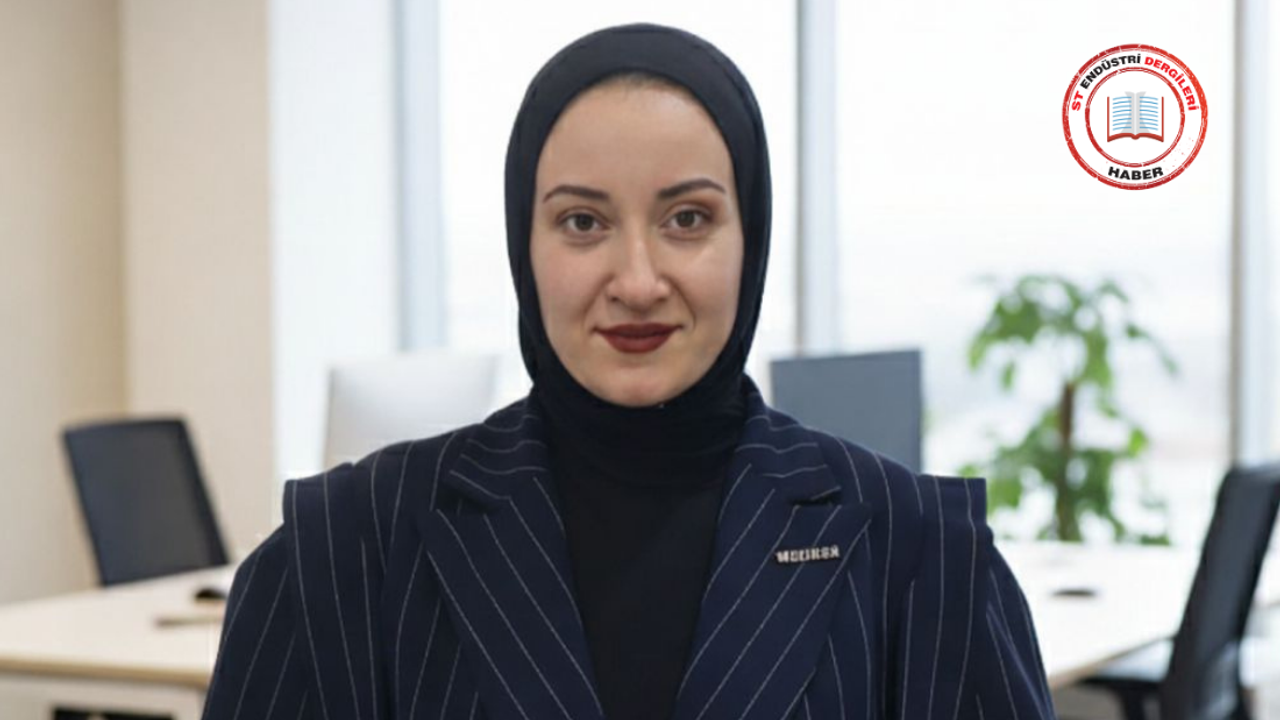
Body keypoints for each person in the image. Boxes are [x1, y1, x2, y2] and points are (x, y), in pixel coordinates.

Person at [201, 23, 1056, 720]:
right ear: (525, 246)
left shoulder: (924, 554)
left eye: (688, 219)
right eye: (583, 222)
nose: (638, 281)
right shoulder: (342, 552)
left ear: (750, 239)